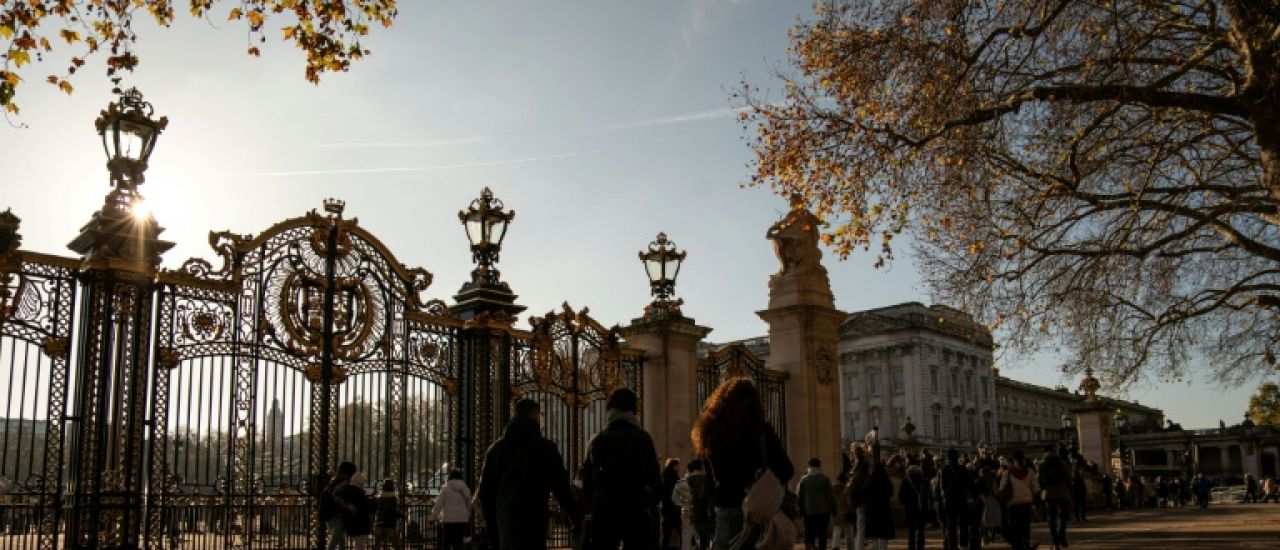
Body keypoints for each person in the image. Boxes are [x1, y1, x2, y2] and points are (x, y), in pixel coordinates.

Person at [691, 378, 794, 550]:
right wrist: (763, 480)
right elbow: (787, 470)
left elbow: (711, 480)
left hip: (726, 511)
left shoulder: (710, 431)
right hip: (759, 513)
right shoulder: (762, 431)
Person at [477, 398, 581, 550]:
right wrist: (574, 515)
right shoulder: (545, 448)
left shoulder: (496, 449)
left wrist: (492, 530)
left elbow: (485, 493)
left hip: (506, 524)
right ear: (535, 415)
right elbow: (561, 488)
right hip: (535, 522)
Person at [581, 387, 662, 550]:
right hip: (635, 508)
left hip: (604, 509)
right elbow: (654, 478)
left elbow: (587, 480)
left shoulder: (599, 440)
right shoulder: (642, 438)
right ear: (634, 410)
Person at [998, 450, 1039, 550]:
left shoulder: (1007, 473)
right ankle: (1026, 544)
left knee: (1015, 527)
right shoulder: (1030, 471)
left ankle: (1017, 546)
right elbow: (1036, 488)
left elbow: (1002, 488)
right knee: (1025, 526)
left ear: (1013, 460)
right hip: (1026, 503)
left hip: (1013, 503)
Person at [798, 457, 837, 550]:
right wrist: (833, 509)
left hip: (809, 512)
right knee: (822, 536)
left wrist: (800, 510)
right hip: (823, 512)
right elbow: (831, 496)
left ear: (809, 467)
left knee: (809, 535)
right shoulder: (825, 479)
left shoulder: (804, 481)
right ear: (820, 466)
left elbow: (800, 498)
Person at [938, 449, 973, 550]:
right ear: (957, 457)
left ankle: (952, 545)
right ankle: (964, 544)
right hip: (961, 498)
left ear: (948, 458)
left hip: (949, 500)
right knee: (963, 523)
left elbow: (942, 486)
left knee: (951, 524)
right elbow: (969, 485)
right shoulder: (963, 469)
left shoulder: (944, 469)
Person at [1038, 445, 1071, 549]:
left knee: (1051, 518)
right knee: (1062, 517)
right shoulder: (1062, 462)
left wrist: (1042, 489)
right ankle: (1062, 537)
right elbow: (1068, 477)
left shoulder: (1042, 463)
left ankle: (1055, 541)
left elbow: (1038, 479)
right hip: (1063, 491)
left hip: (1049, 492)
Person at [320, 461, 358, 550]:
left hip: (331, 515)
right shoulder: (344, 482)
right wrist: (347, 505)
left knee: (340, 542)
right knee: (334, 542)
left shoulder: (334, 480)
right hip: (338, 516)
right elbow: (335, 495)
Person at [430, 470, 471, 550]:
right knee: (458, 542)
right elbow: (468, 504)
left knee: (447, 541)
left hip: (448, 520)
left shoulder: (445, 489)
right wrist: (468, 515)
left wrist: (433, 516)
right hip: (461, 519)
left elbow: (439, 504)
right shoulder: (465, 488)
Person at [337, 470, 375, 550]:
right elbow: (365, 507)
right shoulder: (358, 492)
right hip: (361, 522)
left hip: (349, 521)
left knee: (346, 543)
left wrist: (347, 506)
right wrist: (373, 502)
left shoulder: (346, 491)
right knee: (360, 545)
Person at [863, 459, 895, 550]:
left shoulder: (870, 479)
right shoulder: (886, 479)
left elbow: (866, 492)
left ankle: (876, 547)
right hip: (884, 507)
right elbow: (891, 492)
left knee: (875, 531)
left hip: (872, 507)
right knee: (883, 531)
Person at [684, 460, 715, 550]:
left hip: (693, 513)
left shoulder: (688, 480)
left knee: (696, 539)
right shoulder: (708, 479)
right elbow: (711, 498)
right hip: (706, 514)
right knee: (705, 540)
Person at [900, 464, 930, 550]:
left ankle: (911, 546)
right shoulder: (925, 481)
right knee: (921, 530)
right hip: (922, 509)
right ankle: (920, 546)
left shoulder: (906, 481)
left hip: (910, 509)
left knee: (911, 530)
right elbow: (929, 496)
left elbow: (901, 496)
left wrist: (906, 502)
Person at [372, 479, 405, 550]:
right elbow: (393, 511)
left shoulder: (380, 497)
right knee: (395, 543)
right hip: (390, 523)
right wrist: (402, 514)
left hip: (380, 521)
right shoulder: (393, 498)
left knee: (377, 543)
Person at [661, 458, 684, 549]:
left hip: (666, 508)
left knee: (666, 533)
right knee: (681, 531)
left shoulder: (664, 476)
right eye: (678, 466)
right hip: (674, 508)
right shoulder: (674, 477)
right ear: (674, 466)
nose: (679, 468)